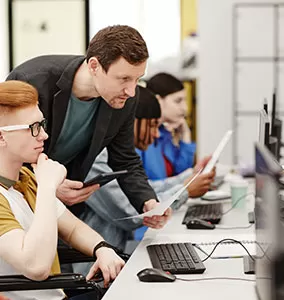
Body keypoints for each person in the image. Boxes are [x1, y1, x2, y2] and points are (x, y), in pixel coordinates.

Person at [6, 25, 171, 229]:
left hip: (66, 210)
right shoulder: (32, 80)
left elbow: (125, 158)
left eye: (138, 79)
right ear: (94, 66)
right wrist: (46, 186)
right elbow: (7, 152)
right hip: (15, 203)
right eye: (124, 79)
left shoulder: (124, 99)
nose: (131, 91)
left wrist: (148, 202)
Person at [0, 81, 126, 300]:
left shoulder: (25, 177)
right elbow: (36, 267)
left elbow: (73, 229)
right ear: (2, 137)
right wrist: (48, 187)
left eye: (42, 124)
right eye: (33, 128)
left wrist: (102, 248)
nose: (44, 136)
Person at [74, 86, 215, 275]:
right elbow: (129, 210)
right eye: (152, 126)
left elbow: (147, 190)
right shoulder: (95, 158)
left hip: (118, 256)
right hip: (96, 271)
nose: (156, 134)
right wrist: (185, 190)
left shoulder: (119, 156)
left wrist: (190, 177)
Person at [139, 72, 196, 180]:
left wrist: (185, 134)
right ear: (158, 100)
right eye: (178, 101)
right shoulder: (139, 136)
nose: (185, 108)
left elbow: (181, 175)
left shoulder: (164, 133)